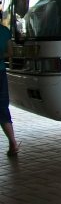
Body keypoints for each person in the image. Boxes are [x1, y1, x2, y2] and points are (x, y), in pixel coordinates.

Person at [0, 20, 19, 156]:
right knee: (2, 107)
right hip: (1, 73)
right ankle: (13, 142)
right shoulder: (5, 31)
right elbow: (10, 53)